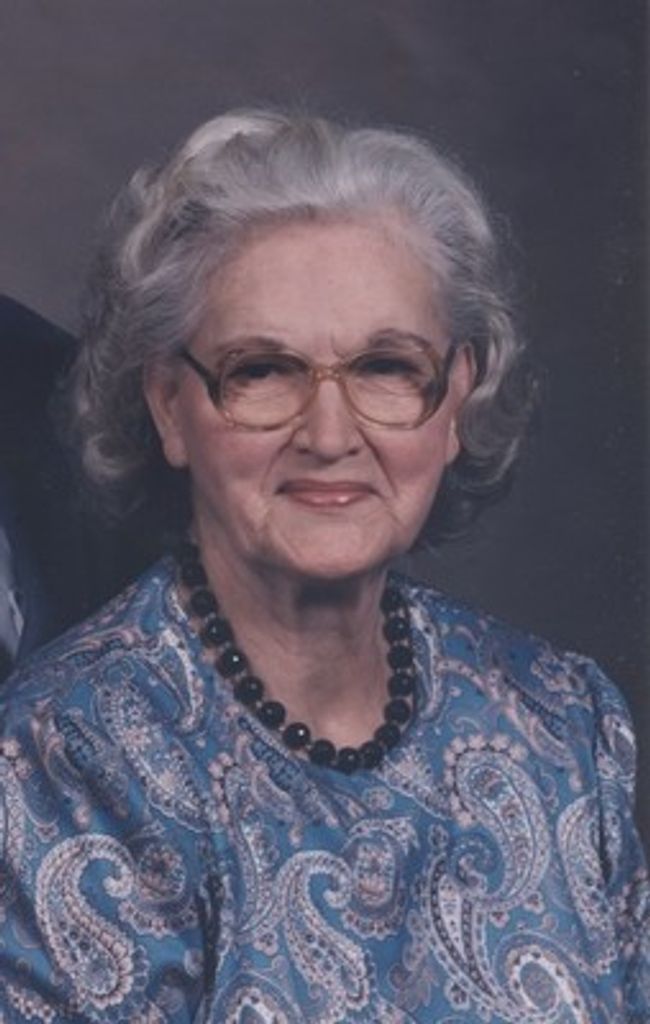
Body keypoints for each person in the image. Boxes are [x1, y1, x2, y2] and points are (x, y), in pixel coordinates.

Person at [0, 110, 647, 1023]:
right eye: (263, 370)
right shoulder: (61, 761)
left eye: (387, 366)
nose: (331, 434)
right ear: (171, 407)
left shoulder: (566, 719)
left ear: (457, 398)